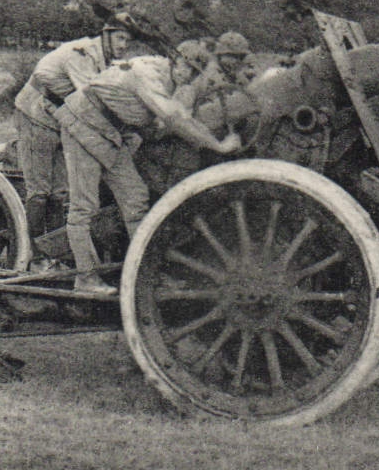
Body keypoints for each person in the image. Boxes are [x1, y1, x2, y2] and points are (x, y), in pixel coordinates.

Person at [55, 41, 242, 296]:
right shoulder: (148, 75)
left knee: (136, 198)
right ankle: (86, 278)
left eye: (194, 73)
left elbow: (179, 117)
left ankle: (149, 273)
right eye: (187, 67)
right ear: (175, 60)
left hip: (112, 134)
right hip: (82, 124)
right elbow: (175, 120)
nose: (187, 75)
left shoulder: (168, 80)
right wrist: (218, 146)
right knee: (83, 206)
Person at [12, 20, 132, 237]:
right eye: (120, 38)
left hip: (62, 123)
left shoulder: (107, 60)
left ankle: (53, 250)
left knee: (59, 193)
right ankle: (33, 255)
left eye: (128, 40)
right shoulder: (82, 53)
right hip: (36, 117)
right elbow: (91, 98)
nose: (124, 45)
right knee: (39, 192)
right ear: (106, 35)